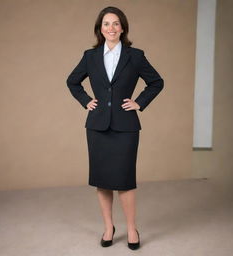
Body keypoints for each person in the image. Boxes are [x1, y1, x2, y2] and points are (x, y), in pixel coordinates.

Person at [66, 6, 164, 250]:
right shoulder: (90, 57)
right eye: (106, 24)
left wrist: (139, 102)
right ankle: (109, 227)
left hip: (125, 126)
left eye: (116, 23)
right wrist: (85, 101)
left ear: (123, 28)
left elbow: (156, 82)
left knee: (125, 180)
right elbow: (72, 81)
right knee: (102, 180)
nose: (111, 28)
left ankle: (131, 228)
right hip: (97, 126)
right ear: (100, 28)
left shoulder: (136, 56)